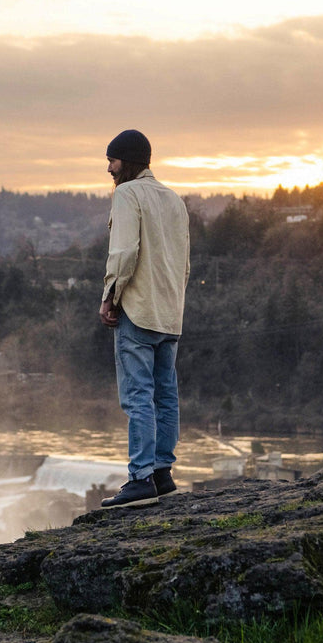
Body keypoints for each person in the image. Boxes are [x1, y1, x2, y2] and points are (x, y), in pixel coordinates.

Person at [98, 129, 190, 508]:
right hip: (170, 312)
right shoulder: (174, 200)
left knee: (138, 396)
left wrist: (110, 296)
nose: (108, 168)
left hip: (138, 310)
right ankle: (162, 473)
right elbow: (184, 262)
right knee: (165, 395)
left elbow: (124, 252)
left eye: (113, 160)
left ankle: (140, 478)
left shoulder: (127, 194)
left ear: (129, 161)